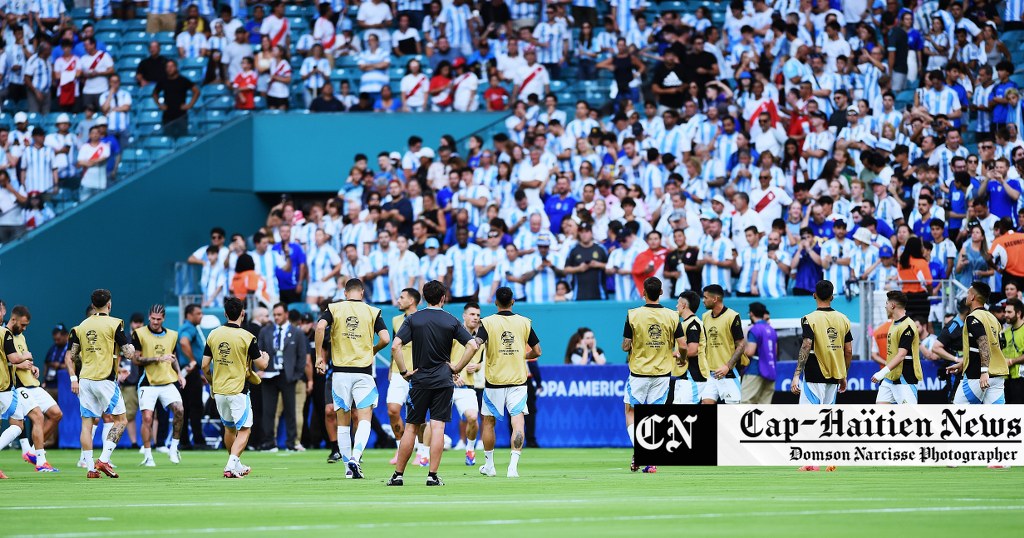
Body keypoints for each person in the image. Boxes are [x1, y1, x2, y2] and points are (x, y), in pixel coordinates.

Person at [387, 280, 479, 486]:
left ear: (425, 297)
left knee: (411, 427)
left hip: (419, 380)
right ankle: (432, 476)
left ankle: (398, 475)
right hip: (443, 380)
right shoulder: (451, 320)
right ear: (443, 298)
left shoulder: (413, 319)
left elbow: (395, 346)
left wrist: (403, 371)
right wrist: (456, 368)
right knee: (438, 428)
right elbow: (472, 345)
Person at [314, 278, 390, 479]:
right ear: (362, 293)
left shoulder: (334, 308)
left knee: (343, 422)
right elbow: (385, 338)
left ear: (345, 293)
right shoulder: (372, 311)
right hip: (363, 372)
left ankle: (348, 467)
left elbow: (320, 327)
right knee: (364, 418)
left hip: (339, 373)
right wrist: (372, 350)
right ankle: (356, 457)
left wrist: (318, 358)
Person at [65, 289, 136, 478]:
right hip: (104, 379)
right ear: (109, 304)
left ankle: (90, 469)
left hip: (85, 379)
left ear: (93, 305)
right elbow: (129, 353)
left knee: (87, 424)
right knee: (120, 420)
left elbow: (72, 355)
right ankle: (103, 460)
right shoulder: (114, 324)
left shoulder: (80, 326)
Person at [474, 286, 541, 479]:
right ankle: (513, 467)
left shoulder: (486, 322)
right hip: (518, 381)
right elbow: (537, 351)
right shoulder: (524, 322)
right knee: (518, 422)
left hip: (494, 381)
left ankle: (490, 466)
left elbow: (476, 344)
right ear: (513, 302)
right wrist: (523, 356)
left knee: (488, 422)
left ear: (495, 302)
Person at [202, 297, 270, 478]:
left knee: (229, 429)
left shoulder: (213, 334)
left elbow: (204, 365)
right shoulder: (247, 337)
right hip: (238, 390)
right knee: (245, 430)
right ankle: (230, 465)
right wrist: (266, 357)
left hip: (219, 391)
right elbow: (261, 365)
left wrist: (211, 382)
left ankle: (236, 464)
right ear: (243, 314)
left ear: (225, 314)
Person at [621, 277, 683, 473]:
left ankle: (641, 451)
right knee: (655, 416)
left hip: (639, 371)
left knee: (631, 412)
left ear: (643, 292)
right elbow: (682, 345)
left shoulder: (633, 315)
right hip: (663, 372)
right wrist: (678, 356)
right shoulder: (673, 316)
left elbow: (625, 345)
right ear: (662, 293)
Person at [790, 280, 852, 472]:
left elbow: (807, 345)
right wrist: (843, 374)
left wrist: (796, 375)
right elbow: (848, 350)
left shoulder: (809, 318)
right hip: (835, 375)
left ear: (814, 295)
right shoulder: (844, 319)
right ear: (833, 297)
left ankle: (812, 462)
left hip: (815, 373)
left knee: (809, 417)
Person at [7, 305, 62, 472]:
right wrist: (21, 363)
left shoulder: (20, 337)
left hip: (32, 383)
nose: (24, 328)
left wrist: (31, 366)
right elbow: (7, 362)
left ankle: (31, 451)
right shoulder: (5, 335)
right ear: (14, 319)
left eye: (26, 326)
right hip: (18, 386)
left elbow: (23, 358)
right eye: (23, 325)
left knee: (56, 414)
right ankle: (41, 461)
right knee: (37, 417)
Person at [132, 304, 185, 467]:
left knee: (180, 410)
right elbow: (135, 359)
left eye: (159, 319)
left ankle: (174, 448)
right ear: (149, 317)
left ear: (163, 319)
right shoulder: (139, 334)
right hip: (147, 383)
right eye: (153, 318)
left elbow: (173, 357)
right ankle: (148, 455)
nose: (155, 322)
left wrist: (179, 374)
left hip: (167, 381)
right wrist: (157, 358)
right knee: (147, 418)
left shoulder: (172, 335)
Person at [257, 303, 308, 452]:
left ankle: (291, 442)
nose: (276, 317)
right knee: (268, 411)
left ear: (286, 314)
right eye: (275, 315)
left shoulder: (296, 332)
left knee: (291, 410)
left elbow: (302, 356)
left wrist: (297, 374)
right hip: (269, 375)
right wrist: (258, 369)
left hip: (287, 375)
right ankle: (268, 442)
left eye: (279, 314)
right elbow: (257, 352)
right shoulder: (265, 331)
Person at [950, 281, 1008, 405]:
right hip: (997, 375)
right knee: (997, 419)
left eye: (968, 293)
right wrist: (963, 364)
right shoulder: (993, 318)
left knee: (957, 414)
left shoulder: (973, 317)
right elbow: (996, 346)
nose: (966, 296)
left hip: (977, 375)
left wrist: (984, 371)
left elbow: (984, 343)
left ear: (972, 297)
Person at [385, 288, 422, 466]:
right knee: (392, 410)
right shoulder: (395, 320)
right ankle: (401, 448)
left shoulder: (423, 319)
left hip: (418, 372)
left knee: (419, 416)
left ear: (412, 301)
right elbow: (395, 345)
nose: (398, 301)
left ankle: (422, 451)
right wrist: (391, 369)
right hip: (399, 372)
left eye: (402, 298)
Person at [871, 291, 923, 404]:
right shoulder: (894, 324)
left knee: (909, 416)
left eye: (886, 303)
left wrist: (881, 372)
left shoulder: (908, 326)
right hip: (890, 377)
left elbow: (901, 355)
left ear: (892, 305)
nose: (885, 306)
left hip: (905, 377)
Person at [0, 306, 33, 479]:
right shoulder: (4, 333)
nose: (3, 313)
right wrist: (25, 355)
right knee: (18, 425)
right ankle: (29, 451)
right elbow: (14, 358)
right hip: (3, 387)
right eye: (1, 311)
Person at [449, 302, 485, 466]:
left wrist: (478, 366)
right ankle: (423, 453)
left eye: (478, 315)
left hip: (467, 387)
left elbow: (487, 361)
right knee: (432, 422)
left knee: (472, 418)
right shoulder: (454, 334)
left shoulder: (481, 340)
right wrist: (453, 373)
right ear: (464, 316)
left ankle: (470, 449)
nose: (475, 318)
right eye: (472, 314)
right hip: (446, 384)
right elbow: (441, 356)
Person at [700, 284, 746, 405]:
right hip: (711, 373)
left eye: (705, 297)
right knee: (705, 402)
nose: (703, 301)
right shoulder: (705, 317)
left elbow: (741, 345)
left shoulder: (732, 316)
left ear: (715, 299)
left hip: (729, 373)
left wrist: (728, 366)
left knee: (732, 413)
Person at [176, 304, 207, 451]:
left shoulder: (186, 327)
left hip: (186, 372)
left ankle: (184, 441)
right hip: (190, 371)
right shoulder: (189, 328)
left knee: (187, 407)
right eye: (198, 313)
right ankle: (198, 440)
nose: (200, 316)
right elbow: (184, 342)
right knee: (195, 407)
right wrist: (193, 361)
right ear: (189, 315)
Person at [672, 290, 707, 406]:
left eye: (678, 303)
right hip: (685, 377)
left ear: (684, 305)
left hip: (693, 376)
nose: (676, 306)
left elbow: (692, 350)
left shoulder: (693, 324)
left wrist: (674, 354)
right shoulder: (685, 323)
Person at [152, 60, 200, 137]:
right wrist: (159, 105)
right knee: (168, 138)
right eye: (167, 67)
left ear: (176, 68)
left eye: (171, 66)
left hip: (181, 115)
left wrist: (190, 105)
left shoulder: (183, 80)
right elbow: (154, 93)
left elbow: (196, 91)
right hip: (167, 115)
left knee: (183, 137)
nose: (169, 69)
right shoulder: (163, 81)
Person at [741, 302, 777, 404]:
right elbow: (776, 351)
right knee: (764, 405)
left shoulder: (755, 329)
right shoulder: (771, 329)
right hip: (771, 370)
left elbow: (750, 352)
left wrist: (740, 348)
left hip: (755, 370)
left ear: (751, 314)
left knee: (745, 402)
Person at [563, 222, 608, 300]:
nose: (584, 234)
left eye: (586, 231)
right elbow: (566, 269)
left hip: (600, 294)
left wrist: (598, 265)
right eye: (582, 232)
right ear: (579, 234)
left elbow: (610, 267)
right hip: (578, 294)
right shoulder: (573, 250)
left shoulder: (601, 249)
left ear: (591, 233)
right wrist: (579, 269)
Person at [1001, 299, 1024, 404]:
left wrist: (1011, 361)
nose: (1006, 315)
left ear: (1019, 313)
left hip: (1021, 380)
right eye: (1005, 312)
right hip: (1006, 381)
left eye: (1009, 312)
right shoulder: (1005, 333)